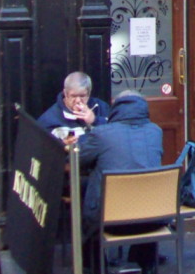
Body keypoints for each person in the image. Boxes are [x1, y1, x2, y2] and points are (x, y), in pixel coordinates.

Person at [76, 90, 164, 273]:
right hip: (153, 220)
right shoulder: (156, 132)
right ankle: (147, 262)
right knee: (144, 192)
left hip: (110, 221)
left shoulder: (101, 134)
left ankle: (94, 264)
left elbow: (79, 161)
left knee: (85, 189)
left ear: (116, 109)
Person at [37, 71, 109, 134]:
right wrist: (63, 145)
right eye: (73, 96)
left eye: (82, 96)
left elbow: (116, 134)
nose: (78, 100)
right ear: (65, 93)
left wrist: (95, 120)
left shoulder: (101, 107)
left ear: (89, 93)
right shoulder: (49, 119)